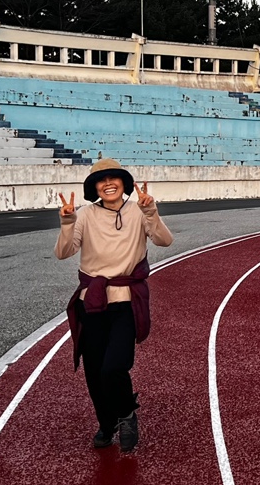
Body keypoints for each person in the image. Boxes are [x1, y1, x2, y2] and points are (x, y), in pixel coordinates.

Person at [55, 158, 173, 452]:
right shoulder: (84, 215)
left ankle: (127, 413)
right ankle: (106, 424)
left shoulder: (139, 210)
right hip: (92, 303)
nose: (108, 184)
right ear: (94, 187)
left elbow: (165, 240)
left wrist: (151, 211)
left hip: (126, 302)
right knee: (95, 372)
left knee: (114, 366)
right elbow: (63, 252)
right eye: (101, 180)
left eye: (113, 178)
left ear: (124, 183)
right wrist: (67, 222)